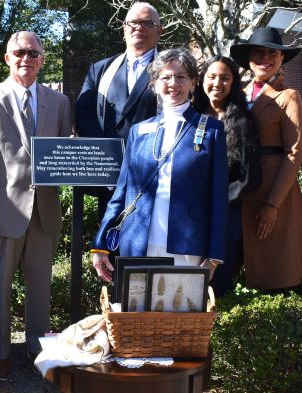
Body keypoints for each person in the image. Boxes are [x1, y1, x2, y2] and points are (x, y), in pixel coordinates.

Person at [0, 31, 72, 381]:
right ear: (7, 58)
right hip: (0, 213)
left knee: (40, 285)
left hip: (45, 211)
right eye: (19, 53)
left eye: (34, 53)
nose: (27, 58)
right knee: (0, 286)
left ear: (42, 59)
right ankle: (0, 353)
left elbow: (61, 157)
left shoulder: (59, 103)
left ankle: (38, 350)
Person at [91, 48, 228, 287]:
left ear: (193, 83)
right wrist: (101, 244)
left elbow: (218, 198)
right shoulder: (139, 130)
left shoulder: (212, 131)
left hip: (188, 243)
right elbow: (122, 192)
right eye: (165, 77)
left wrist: (214, 254)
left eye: (181, 77)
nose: (173, 83)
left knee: (181, 317)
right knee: (136, 317)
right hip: (138, 239)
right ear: (154, 83)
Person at [230, 27, 302, 291]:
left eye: (272, 53)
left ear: (281, 59)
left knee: (273, 269)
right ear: (249, 58)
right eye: (259, 52)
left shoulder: (288, 96)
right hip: (238, 188)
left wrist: (272, 204)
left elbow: (295, 152)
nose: (265, 58)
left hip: (271, 188)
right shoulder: (237, 94)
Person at [75, 2, 161, 216]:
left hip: (155, 172)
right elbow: (84, 115)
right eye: (132, 22)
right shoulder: (101, 69)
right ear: (124, 28)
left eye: (146, 23)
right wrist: (108, 157)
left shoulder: (172, 69)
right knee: (111, 242)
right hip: (111, 177)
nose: (138, 27)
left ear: (160, 30)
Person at [193, 56, 261, 296]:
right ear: (201, 80)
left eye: (225, 78)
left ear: (233, 83)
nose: (217, 83)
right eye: (211, 77)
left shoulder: (242, 121)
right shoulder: (191, 117)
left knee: (218, 281)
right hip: (192, 211)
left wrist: (220, 201)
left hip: (226, 213)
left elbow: (249, 176)